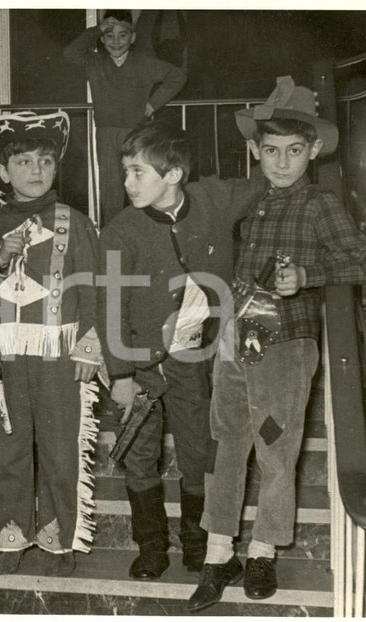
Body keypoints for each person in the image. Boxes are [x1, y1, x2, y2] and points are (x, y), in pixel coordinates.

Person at [187, 76, 366, 611]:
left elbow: (360, 262)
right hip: (235, 340)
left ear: (312, 151)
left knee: (275, 449)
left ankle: (264, 548)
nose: (282, 162)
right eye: (271, 151)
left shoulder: (321, 204)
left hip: (286, 346)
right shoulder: (250, 199)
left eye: (294, 151)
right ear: (255, 151)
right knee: (227, 448)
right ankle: (219, 554)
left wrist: (308, 277)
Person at [96, 122, 268, 581]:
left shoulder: (212, 201)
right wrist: (120, 374)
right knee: (139, 455)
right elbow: (109, 307)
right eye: (125, 172)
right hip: (138, 365)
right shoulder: (121, 230)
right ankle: (151, 549)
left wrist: (263, 138)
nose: (127, 183)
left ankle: (197, 545)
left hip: (195, 361)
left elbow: (265, 179)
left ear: (173, 174)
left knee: (200, 454)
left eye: (137, 172)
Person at [0, 110, 103, 577]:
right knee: (8, 444)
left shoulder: (76, 223)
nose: (35, 171)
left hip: (60, 355)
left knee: (61, 445)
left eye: (44, 161)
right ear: (2, 171)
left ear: (56, 168)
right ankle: (9, 533)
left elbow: (95, 286)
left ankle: (60, 540)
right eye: (23, 162)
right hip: (5, 355)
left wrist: (90, 346)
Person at [64, 10, 186, 228]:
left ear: (133, 38)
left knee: (142, 186)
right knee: (110, 191)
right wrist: (97, 29)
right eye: (109, 35)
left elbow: (177, 76)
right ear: (101, 39)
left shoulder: (145, 63)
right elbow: (70, 53)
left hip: (137, 134)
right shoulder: (94, 62)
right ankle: (114, 253)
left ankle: (142, 239)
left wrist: (153, 103)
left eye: (123, 35)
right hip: (106, 133)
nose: (116, 41)